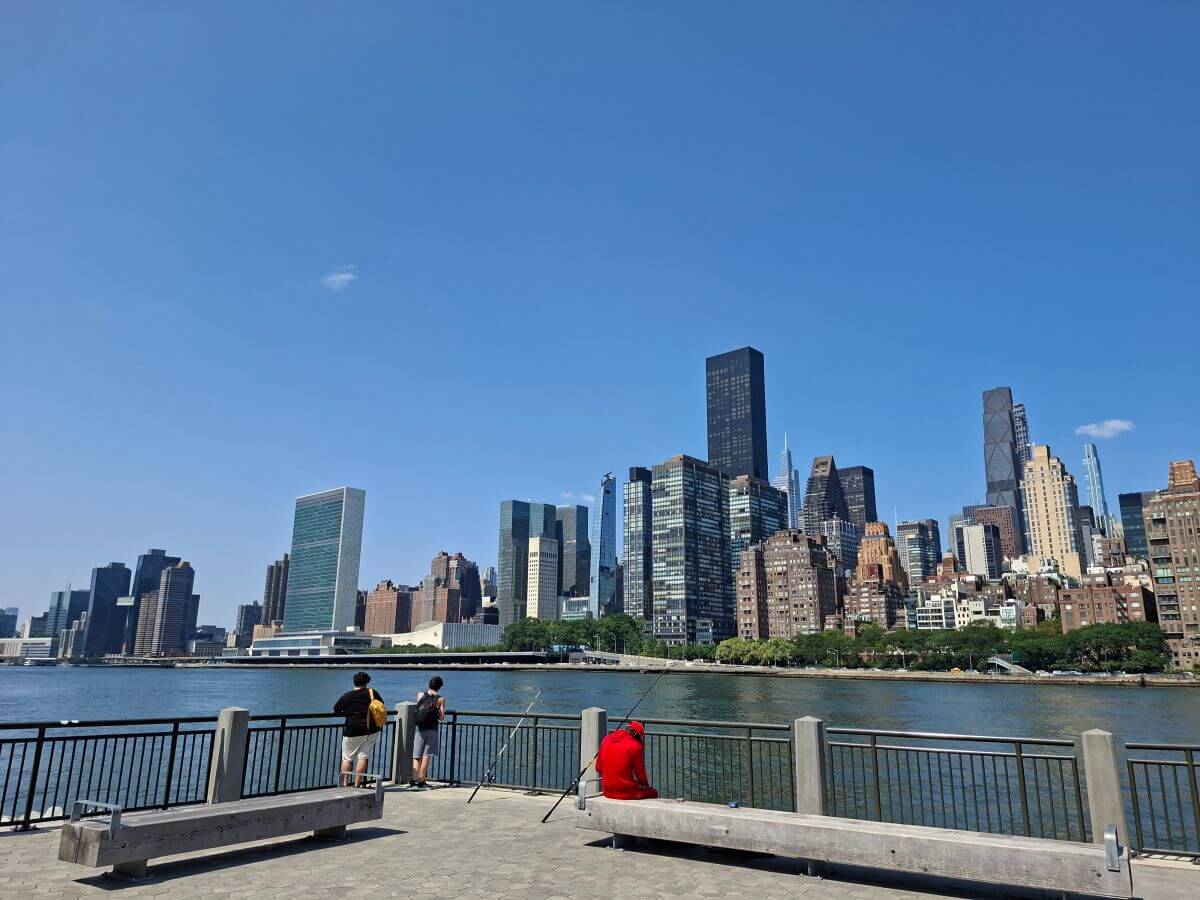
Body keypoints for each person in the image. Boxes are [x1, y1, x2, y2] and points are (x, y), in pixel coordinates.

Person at [333, 671, 384, 787]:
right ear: (367, 682)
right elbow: (381, 706)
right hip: (371, 729)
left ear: (354, 682)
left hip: (352, 730)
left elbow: (336, 709)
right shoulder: (372, 693)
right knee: (363, 756)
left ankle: (345, 784)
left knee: (347, 758)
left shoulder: (347, 696)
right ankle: (357, 784)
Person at [595, 720, 658, 800]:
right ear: (636, 735)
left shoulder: (606, 738)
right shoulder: (635, 746)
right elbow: (640, 774)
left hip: (607, 791)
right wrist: (644, 785)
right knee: (653, 792)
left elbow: (598, 767)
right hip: (625, 793)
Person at [411, 675, 445, 788]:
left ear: (429, 684)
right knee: (426, 756)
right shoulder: (440, 699)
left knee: (416, 755)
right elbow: (441, 717)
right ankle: (422, 780)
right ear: (439, 687)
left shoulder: (420, 695)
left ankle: (414, 779)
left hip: (420, 729)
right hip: (432, 729)